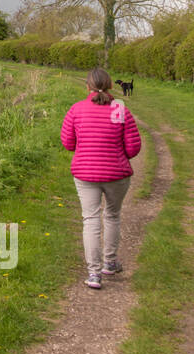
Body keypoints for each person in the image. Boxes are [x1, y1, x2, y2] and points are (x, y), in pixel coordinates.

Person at [60, 68, 141, 289]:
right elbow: (133, 148)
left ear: (87, 86)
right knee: (112, 215)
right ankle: (110, 262)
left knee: (90, 219)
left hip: (86, 174)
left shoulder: (77, 109)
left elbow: (68, 143)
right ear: (111, 86)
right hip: (116, 174)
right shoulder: (120, 108)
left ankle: (94, 274)